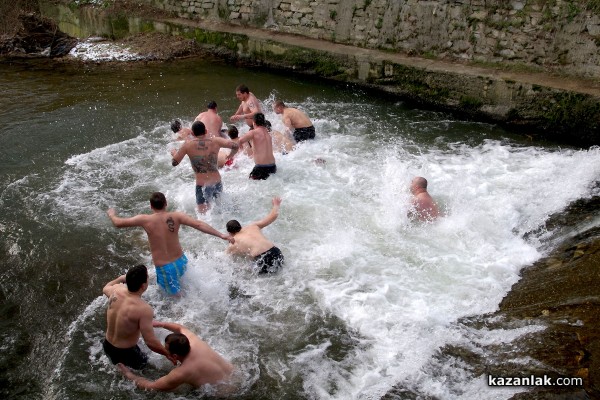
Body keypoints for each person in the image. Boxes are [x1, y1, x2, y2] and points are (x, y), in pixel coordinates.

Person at [107, 192, 234, 296]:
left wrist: (112, 214)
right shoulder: (177, 216)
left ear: (151, 206)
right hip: (181, 261)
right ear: (166, 204)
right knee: (186, 287)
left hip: (165, 269)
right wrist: (221, 235)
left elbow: (118, 223)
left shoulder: (145, 220)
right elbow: (199, 224)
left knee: (177, 300)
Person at [118, 321, 234, 392]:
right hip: (238, 376)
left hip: (224, 396)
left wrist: (129, 374)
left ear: (174, 355)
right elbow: (180, 328)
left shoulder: (181, 373)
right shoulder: (193, 341)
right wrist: (160, 324)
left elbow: (152, 386)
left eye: (165, 349)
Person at [102, 265, 173, 369]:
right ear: (143, 286)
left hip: (107, 346)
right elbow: (150, 342)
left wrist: (120, 278)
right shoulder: (144, 309)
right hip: (126, 353)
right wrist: (167, 354)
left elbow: (105, 288)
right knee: (146, 371)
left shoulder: (116, 290)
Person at [171, 121, 239, 213]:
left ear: (192, 133)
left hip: (202, 185)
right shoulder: (216, 141)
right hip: (217, 183)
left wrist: (174, 153)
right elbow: (235, 146)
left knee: (204, 216)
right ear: (206, 131)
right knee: (221, 212)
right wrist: (231, 155)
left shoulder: (187, 145)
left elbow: (175, 162)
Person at [226, 197, 284, 274]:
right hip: (276, 252)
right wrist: (276, 205)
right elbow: (273, 216)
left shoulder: (233, 243)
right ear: (240, 226)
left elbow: (225, 259)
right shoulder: (253, 226)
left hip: (263, 258)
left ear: (229, 233)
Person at [238, 113, 277, 180]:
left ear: (254, 122)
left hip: (261, 168)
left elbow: (240, 140)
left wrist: (241, 150)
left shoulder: (253, 132)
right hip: (273, 166)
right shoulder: (267, 132)